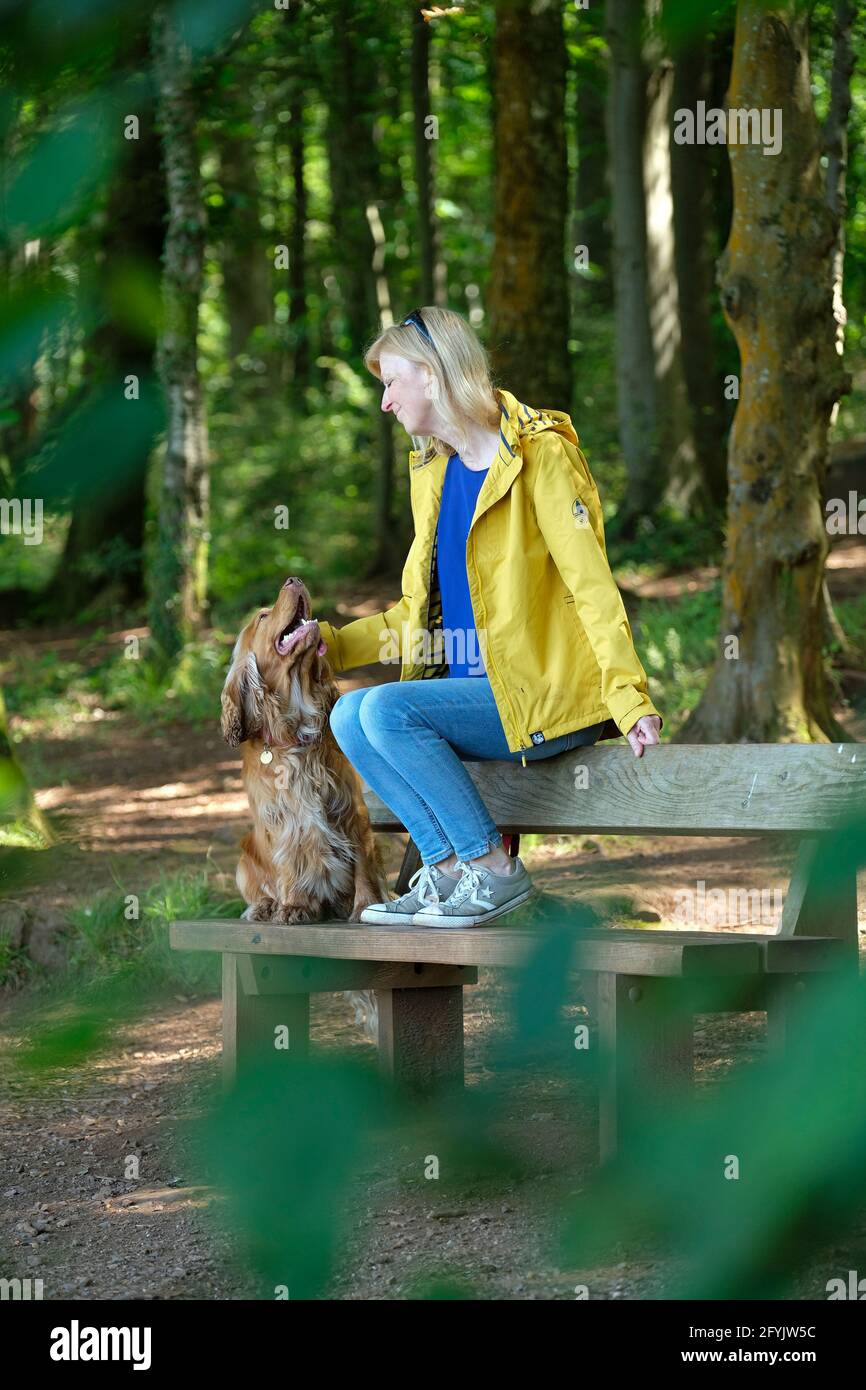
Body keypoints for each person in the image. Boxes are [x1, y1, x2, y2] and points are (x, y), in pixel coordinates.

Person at [317, 307, 663, 928]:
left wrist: (629, 697)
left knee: (389, 710)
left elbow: (593, 587)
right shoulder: (433, 473)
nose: (386, 403)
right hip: (476, 699)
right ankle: (448, 870)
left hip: (544, 697)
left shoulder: (542, 457)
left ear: (432, 374)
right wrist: (330, 646)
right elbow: (415, 616)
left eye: (392, 382)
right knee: (348, 712)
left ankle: (493, 868)